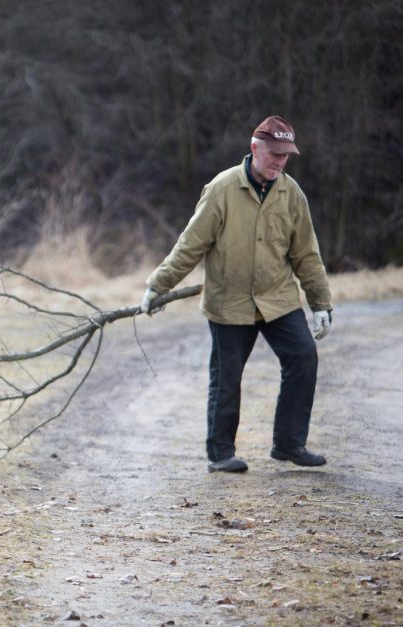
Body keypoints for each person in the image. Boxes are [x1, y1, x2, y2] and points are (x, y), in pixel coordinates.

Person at [139, 115, 333, 473]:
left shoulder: (293, 196)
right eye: (274, 154)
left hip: (278, 299)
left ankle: (289, 443)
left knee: (304, 357)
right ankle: (221, 453)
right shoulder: (222, 189)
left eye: (285, 156)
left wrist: (320, 303)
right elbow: (190, 245)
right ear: (254, 148)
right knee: (227, 378)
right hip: (230, 302)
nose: (279, 161)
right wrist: (158, 285)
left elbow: (307, 255)